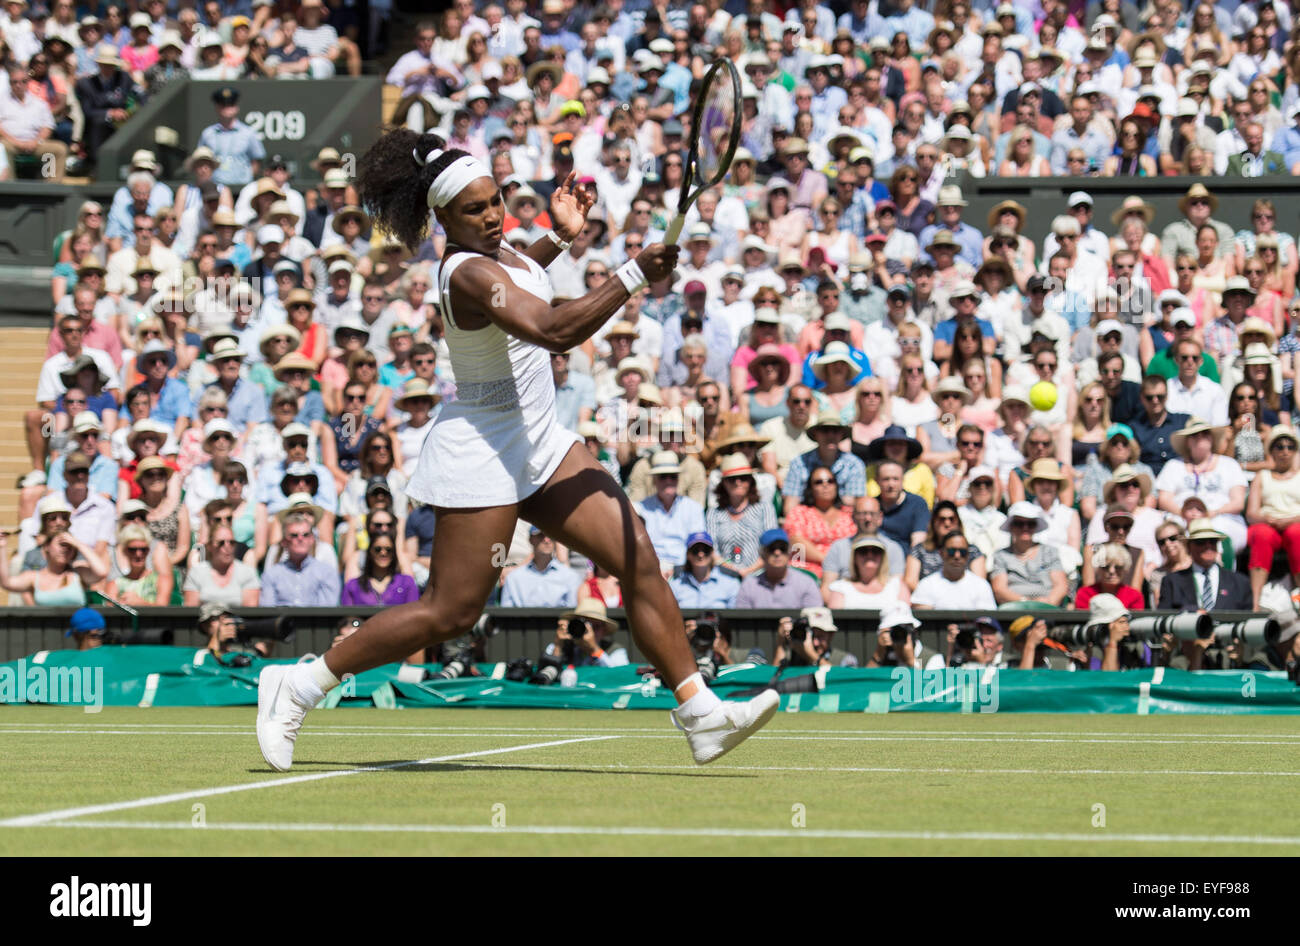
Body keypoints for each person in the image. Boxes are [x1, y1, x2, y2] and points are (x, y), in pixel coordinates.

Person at [257, 131, 778, 770]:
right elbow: (554, 328)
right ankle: (300, 684)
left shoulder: (497, 251)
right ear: (441, 218)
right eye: (474, 209)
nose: (492, 214)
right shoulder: (466, 270)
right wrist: (634, 271)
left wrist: (559, 237)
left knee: (637, 552)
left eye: (494, 199)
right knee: (450, 612)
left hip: (542, 444)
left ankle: (700, 713)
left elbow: (523, 269)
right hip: (481, 449)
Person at [1156, 417, 1248, 553]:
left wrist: (1212, 513)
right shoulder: (1173, 466)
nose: (1200, 438)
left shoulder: (1229, 464)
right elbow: (1164, 499)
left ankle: (1222, 573)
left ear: (1212, 438)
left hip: (1220, 517)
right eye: (1194, 435)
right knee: (1171, 533)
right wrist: (1184, 514)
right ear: (1187, 441)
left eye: (1205, 434)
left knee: (1219, 534)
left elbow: (1238, 502)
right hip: (1181, 519)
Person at [1244, 425, 1300, 607]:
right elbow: (1251, 513)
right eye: (1280, 446)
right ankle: (1255, 602)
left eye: (1290, 446)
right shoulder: (1262, 476)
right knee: (1261, 535)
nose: (1285, 451)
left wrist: (1290, 520)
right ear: (1271, 450)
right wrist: (1269, 520)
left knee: (1296, 534)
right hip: (1268, 524)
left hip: (1295, 523)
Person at [1161, 519, 1253, 612]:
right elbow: (1163, 617)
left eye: (1213, 541)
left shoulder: (1240, 583)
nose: (1208, 546)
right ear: (1188, 547)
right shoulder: (1172, 582)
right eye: (1201, 541)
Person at [734, 528, 823, 609]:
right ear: (762, 553)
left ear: (789, 551)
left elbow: (815, 619)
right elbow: (742, 622)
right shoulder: (749, 585)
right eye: (771, 548)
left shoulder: (806, 583)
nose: (777, 553)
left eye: (782, 548)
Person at [911, 530, 995, 610]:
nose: (957, 556)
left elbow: (986, 619)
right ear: (941, 553)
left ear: (968, 554)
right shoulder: (927, 584)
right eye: (951, 551)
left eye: (962, 551)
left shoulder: (981, 585)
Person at [668, 531, 741, 609]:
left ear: (712, 553)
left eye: (706, 550)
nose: (701, 555)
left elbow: (734, 618)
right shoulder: (675, 587)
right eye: (695, 550)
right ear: (688, 554)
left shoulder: (731, 584)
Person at [1075, 543, 1145, 612]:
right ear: (1098, 569)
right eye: (1105, 567)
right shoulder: (1085, 594)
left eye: (1118, 567)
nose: (1111, 571)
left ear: (1125, 569)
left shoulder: (1134, 596)